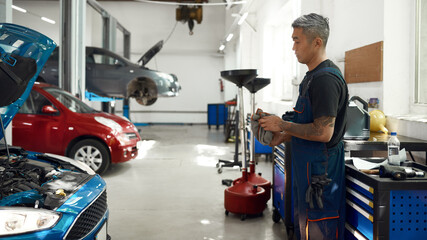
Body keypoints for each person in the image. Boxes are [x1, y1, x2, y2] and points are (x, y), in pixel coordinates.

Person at [259, 13, 348, 240]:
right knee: (304, 227)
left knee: (319, 229)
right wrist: (283, 135)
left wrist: (281, 124)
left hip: (320, 175)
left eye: (297, 40)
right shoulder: (311, 77)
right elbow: (307, 122)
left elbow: (323, 132)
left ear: (316, 42)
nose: (293, 47)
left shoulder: (325, 80)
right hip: (306, 171)